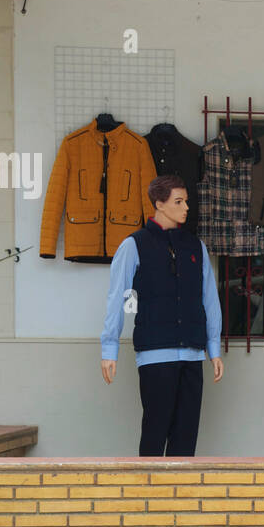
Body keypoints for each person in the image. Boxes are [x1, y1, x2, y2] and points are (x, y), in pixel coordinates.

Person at [100, 174, 224, 456]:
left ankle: (178, 500)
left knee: (186, 440)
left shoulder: (196, 247)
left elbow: (209, 299)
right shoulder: (134, 245)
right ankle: (147, 498)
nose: (186, 208)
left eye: (186, 201)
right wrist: (110, 348)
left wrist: (213, 348)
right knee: (155, 435)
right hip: (155, 355)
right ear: (159, 204)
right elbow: (117, 297)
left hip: (192, 355)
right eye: (178, 201)